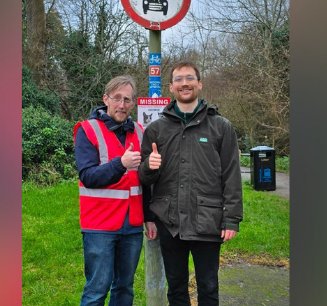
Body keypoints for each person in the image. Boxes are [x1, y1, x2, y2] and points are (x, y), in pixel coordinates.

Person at [138, 61, 243, 306]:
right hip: (169, 220)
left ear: (199, 83)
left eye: (189, 78)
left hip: (208, 219)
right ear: (171, 87)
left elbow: (232, 175)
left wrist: (232, 218)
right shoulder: (156, 129)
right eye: (178, 79)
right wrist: (148, 167)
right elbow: (144, 179)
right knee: (176, 287)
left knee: (208, 287)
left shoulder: (221, 127)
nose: (184, 83)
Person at [73, 75, 157, 306]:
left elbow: (145, 181)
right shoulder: (87, 130)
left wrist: (149, 218)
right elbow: (88, 176)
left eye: (127, 100)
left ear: (133, 104)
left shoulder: (140, 132)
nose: (122, 105)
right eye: (117, 98)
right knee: (96, 290)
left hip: (132, 223)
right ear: (105, 99)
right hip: (99, 224)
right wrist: (121, 164)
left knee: (124, 288)